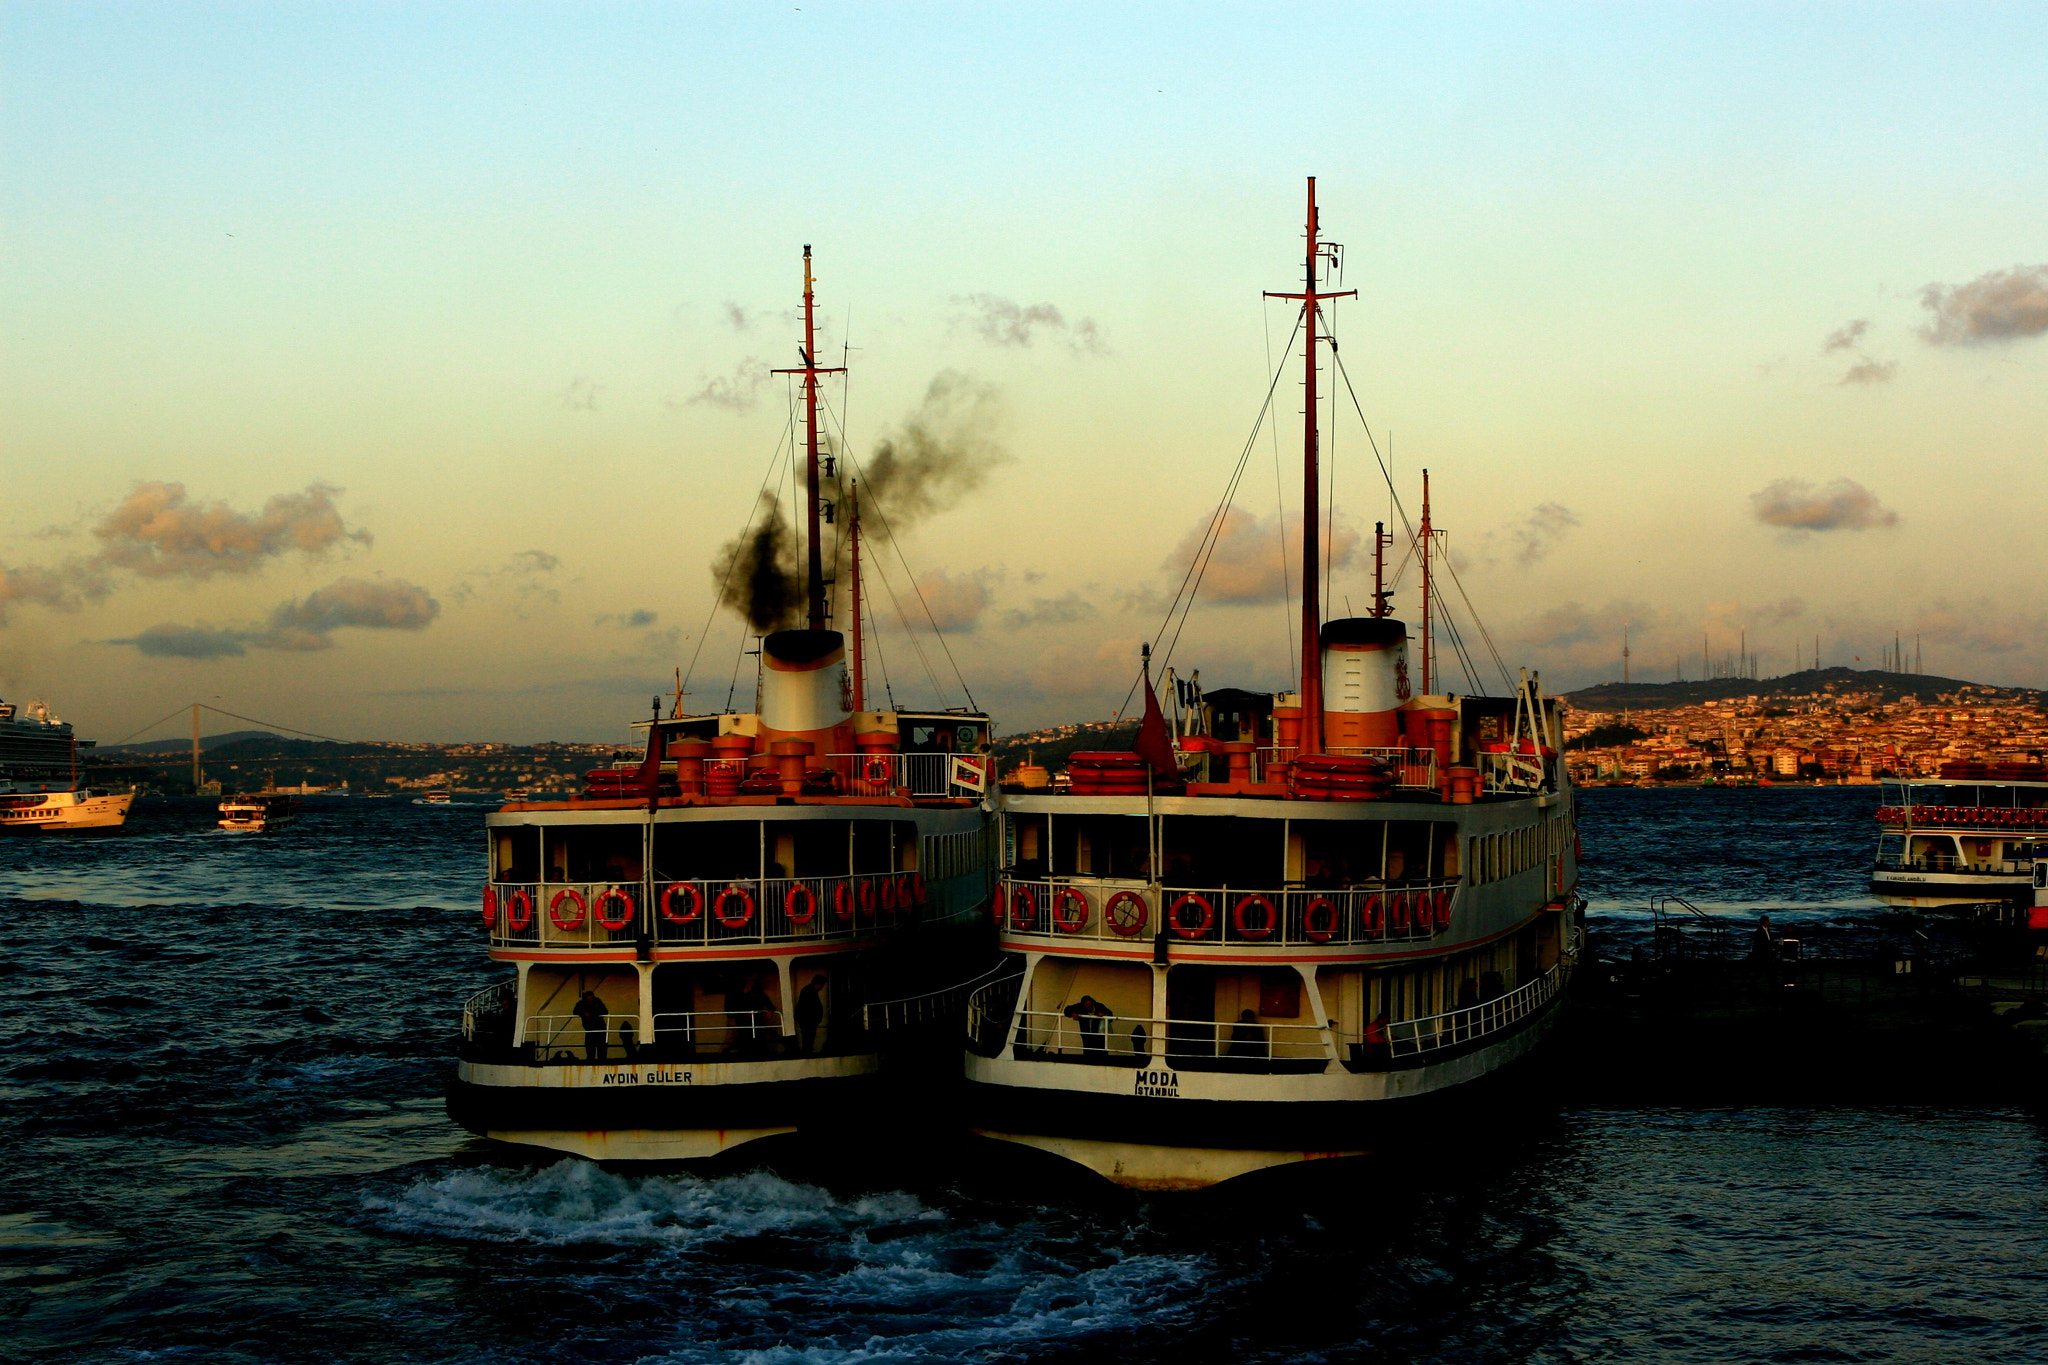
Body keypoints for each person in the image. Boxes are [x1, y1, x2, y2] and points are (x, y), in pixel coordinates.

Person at [572, 989, 608, 1063]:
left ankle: (601, 1060)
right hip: (589, 1028)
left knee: (601, 1045)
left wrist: (593, 1014)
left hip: (599, 1028)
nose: (590, 999)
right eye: (589, 997)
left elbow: (605, 1011)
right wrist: (584, 1013)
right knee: (590, 1046)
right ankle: (591, 1060)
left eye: (591, 997)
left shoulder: (598, 1002)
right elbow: (575, 1011)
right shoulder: (581, 1004)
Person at [795, 974, 827, 1055]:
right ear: (819, 984)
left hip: (807, 1021)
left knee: (807, 1040)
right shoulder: (810, 991)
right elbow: (809, 1007)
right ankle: (807, 1054)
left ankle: (807, 1053)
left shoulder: (807, 990)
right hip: (808, 1021)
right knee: (808, 1040)